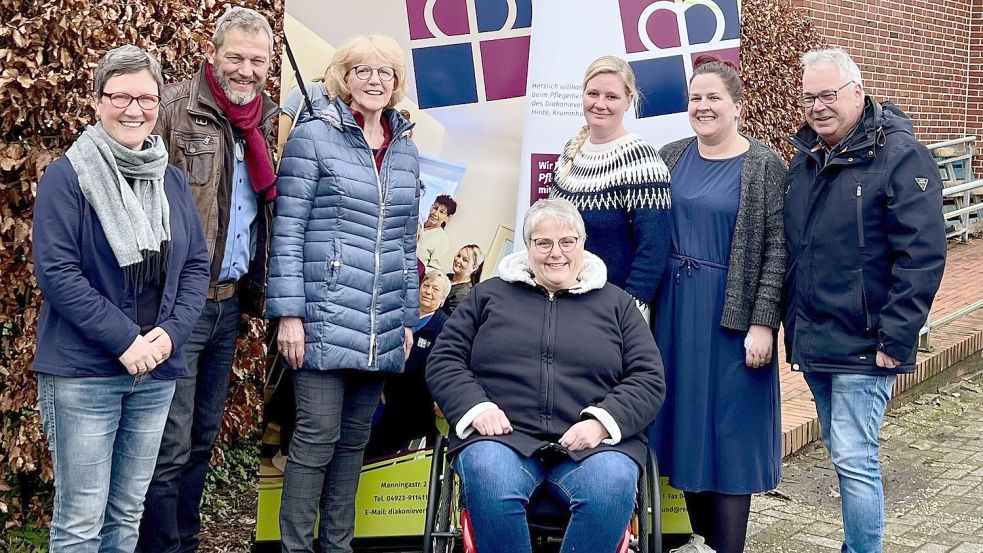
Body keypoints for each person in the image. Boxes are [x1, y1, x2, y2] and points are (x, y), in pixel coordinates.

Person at [32, 45, 210, 553]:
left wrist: (169, 336)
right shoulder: (67, 179)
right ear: (97, 101)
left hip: (154, 374)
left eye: (147, 98)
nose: (134, 109)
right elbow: (58, 274)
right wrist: (125, 340)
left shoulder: (170, 178)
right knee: (80, 523)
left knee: (127, 514)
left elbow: (195, 265)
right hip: (85, 373)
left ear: (160, 104)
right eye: (121, 96)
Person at [427, 198, 666, 553]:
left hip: (592, 447)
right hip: (504, 439)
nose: (557, 253)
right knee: (489, 476)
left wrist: (601, 422)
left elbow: (648, 377)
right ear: (528, 248)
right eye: (543, 243)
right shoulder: (488, 295)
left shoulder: (618, 304)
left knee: (613, 482)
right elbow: (445, 358)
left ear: (583, 245)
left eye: (567, 241)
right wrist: (477, 407)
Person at [784, 48, 946, 553]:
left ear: (857, 91)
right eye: (810, 96)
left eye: (828, 95)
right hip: (816, 340)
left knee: (855, 459)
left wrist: (897, 339)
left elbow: (921, 256)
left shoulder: (900, 156)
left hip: (866, 342)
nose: (818, 106)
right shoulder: (807, 158)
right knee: (843, 454)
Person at [267, 34, 420, 553]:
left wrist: (405, 319)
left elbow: (405, 241)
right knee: (314, 438)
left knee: (354, 442)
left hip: (380, 322)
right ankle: (294, 547)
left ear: (396, 84)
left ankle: (337, 545)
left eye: (386, 72)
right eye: (363, 70)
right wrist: (290, 315)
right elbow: (287, 229)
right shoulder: (313, 136)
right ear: (344, 77)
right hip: (323, 315)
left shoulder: (406, 150)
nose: (375, 80)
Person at [139, 7, 279, 553]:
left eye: (257, 60)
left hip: (227, 306)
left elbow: (257, 211)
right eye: (235, 58)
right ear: (212, 55)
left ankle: (187, 540)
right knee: (168, 446)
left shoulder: (263, 120)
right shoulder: (172, 109)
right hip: (177, 307)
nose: (246, 70)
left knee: (202, 441)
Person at [649, 56, 787, 553]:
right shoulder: (670, 155)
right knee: (683, 425)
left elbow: (777, 247)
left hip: (732, 317)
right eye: (695, 98)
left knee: (731, 435)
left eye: (714, 98)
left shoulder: (765, 164)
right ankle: (703, 540)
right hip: (674, 314)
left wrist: (764, 323)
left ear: (737, 107)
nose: (703, 107)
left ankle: (729, 546)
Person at [550, 55, 671, 317]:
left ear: (629, 100)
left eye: (611, 97)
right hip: (560, 303)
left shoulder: (642, 160)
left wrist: (631, 311)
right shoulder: (571, 150)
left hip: (610, 311)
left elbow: (653, 249)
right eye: (593, 94)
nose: (600, 104)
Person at [366, 270, 451, 458]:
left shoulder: (445, 327)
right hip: (381, 392)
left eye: (435, 289)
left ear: (443, 299)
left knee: (389, 453)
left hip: (414, 403)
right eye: (426, 286)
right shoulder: (402, 312)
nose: (428, 291)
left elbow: (444, 366)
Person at [418, 194, 457, 272]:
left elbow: (434, 270)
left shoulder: (443, 240)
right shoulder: (417, 222)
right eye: (435, 208)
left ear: (447, 218)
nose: (435, 213)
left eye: (442, 212)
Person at [442, 243, 483, 314]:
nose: (458, 260)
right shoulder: (447, 276)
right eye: (458, 256)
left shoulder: (464, 294)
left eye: (465, 260)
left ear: (474, 267)